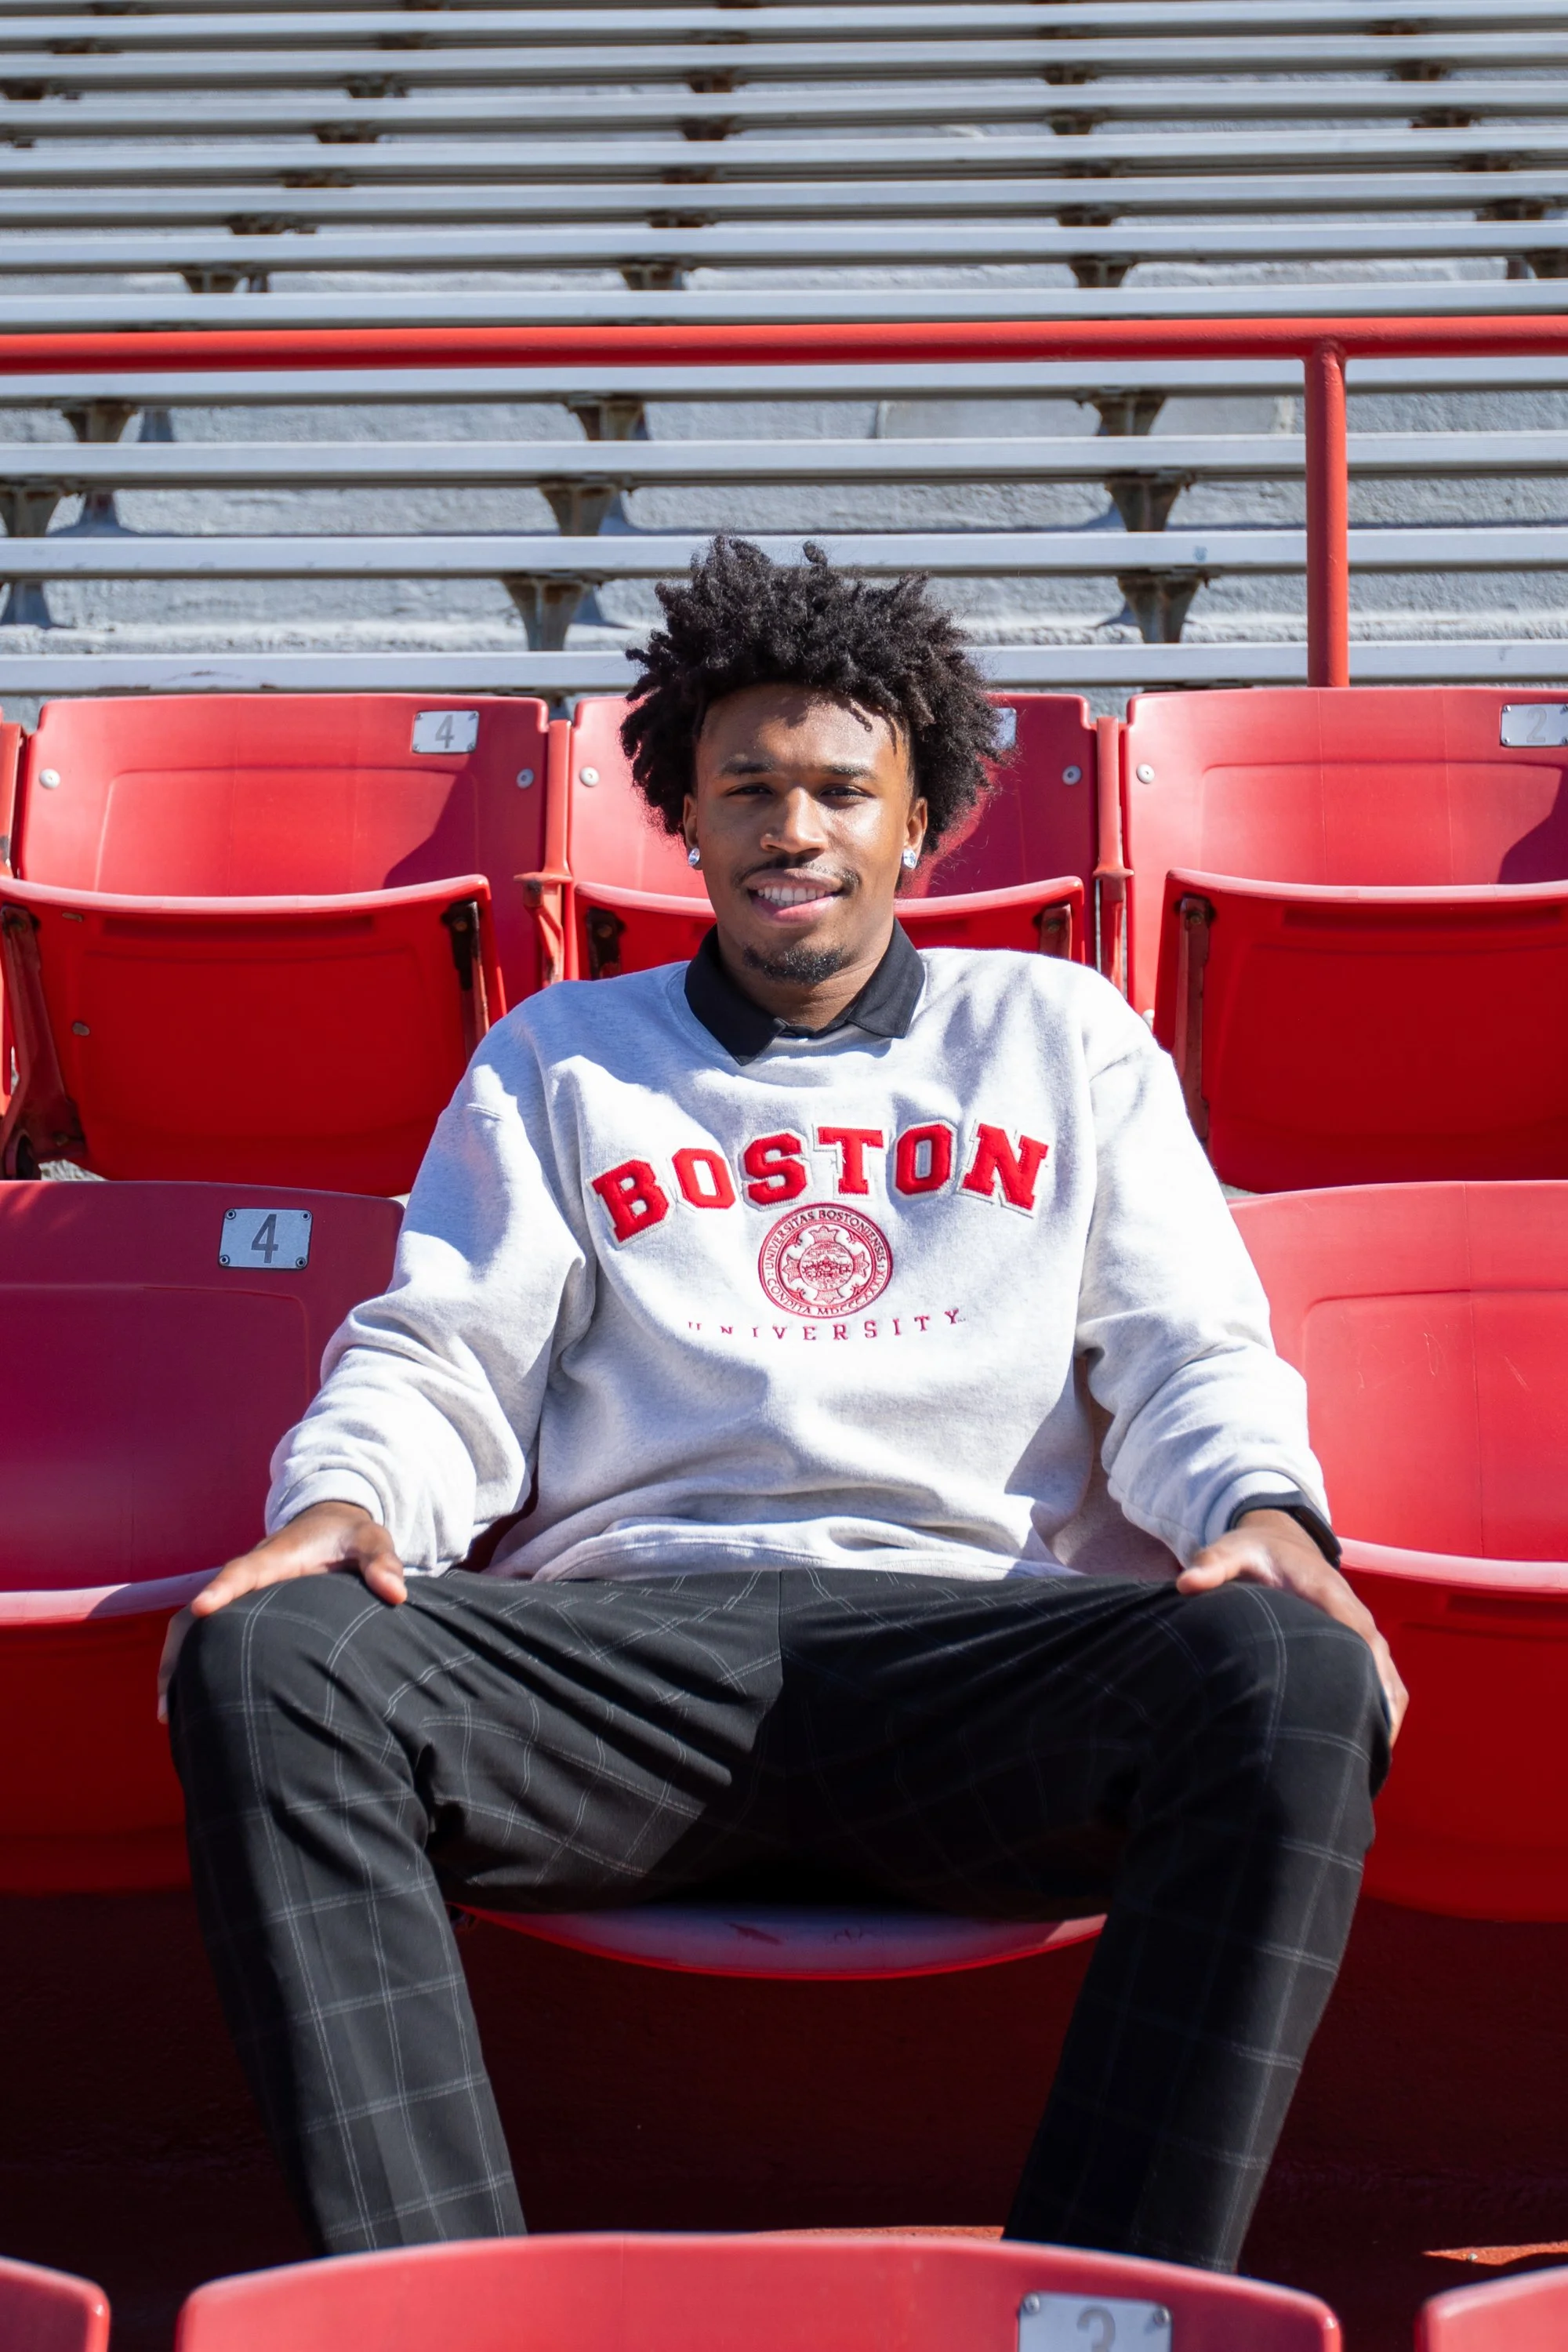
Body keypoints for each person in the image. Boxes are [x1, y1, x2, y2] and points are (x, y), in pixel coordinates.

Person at [165, 537, 1404, 2276]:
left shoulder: (1063, 1034)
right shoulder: (560, 1058)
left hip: (971, 1657)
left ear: (923, 821)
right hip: (626, 1670)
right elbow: (444, 1352)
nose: (793, 827)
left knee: (1290, 1667)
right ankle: (433, 2310)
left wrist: (1257, 1512)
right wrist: (349, 1502)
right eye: (747, 784)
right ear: (683, 809)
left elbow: (1185, 1345)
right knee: (270, 1654)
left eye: (840, 788)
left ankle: (1101, 2308)